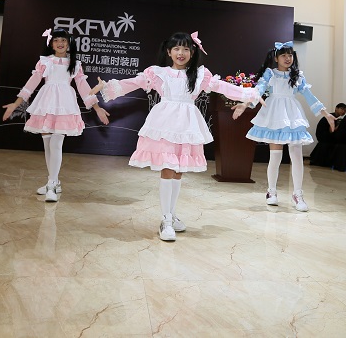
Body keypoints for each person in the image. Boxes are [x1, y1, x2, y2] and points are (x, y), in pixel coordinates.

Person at [93, 31, 261, 242]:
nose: (181, 53)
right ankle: (165, 219)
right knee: (168, 167)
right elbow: (135, 82)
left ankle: (171, 215)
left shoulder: (199, 75)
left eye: (185, 49)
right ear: (169, 52)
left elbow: (221, 87)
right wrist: (107, 86)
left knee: (179, 170)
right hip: (165, 123)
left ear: (192, 52)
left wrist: (249, 94)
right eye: (176, 48)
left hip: (187, 124)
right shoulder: (159, 73)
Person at [2, 28, 110, 202]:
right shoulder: (45, 62)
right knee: (47, 144)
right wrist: (16, 103)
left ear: (69, 43)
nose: (60, 43)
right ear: (51, 44)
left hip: (64, 105)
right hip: (46, 103)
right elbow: (31, 83)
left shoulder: (75, 64)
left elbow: (84, 88)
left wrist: (97, 108)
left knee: (56, 143)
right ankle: (54, 181)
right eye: (56, 40)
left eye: (63, 40)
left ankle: (51, 184)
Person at [233, 41, 335, 212]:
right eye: (284, 55)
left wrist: (326, 114)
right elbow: (258, 90)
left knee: (297, 156)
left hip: (293, 115)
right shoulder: (270, 74)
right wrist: (245, 104)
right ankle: (271, 192)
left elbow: (309, 96)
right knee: (275, 156)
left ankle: (298, 194)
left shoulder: (298, 76)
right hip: (274, 114)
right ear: (276, 58)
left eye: (290, 55)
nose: (288, 58)